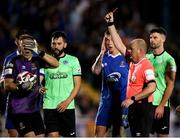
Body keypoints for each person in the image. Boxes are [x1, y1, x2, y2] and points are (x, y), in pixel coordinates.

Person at [104, 11, 156, 137]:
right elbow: (119, 44)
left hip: (142, 107)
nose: (129, 51)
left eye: (131, 49)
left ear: (139, 51)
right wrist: (111, 24)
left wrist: (132, 99)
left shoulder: (146, 65)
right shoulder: (132, 61)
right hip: (133, 107)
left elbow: (152, 87)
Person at [3, 35, 59, 137]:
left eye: (30, 45)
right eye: (24, 45)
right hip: (19, 110)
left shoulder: (37, 60)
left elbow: (56, 64)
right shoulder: (13, 62)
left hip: (34, 110)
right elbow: (6, 84)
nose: (27, 48)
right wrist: (21, 86)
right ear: (19, 47)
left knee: (40, 136)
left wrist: (39, 51)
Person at [42, 31, 81, 137]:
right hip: (49, 105)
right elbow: (39, 80)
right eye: (53, 43)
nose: (56, 46)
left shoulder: (73, 60)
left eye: (59, 44)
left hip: (67, 106)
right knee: (53, 135)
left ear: (65, 45)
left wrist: (67, 102)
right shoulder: (44, 61)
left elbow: (77, 85)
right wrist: (39, 87)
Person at [92, 30, 129, 137]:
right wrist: (101, 53)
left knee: (118, 135)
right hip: (106, 103)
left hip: (121, 104)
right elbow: (95, 71)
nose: (109, 42)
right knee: (98, 135)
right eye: (107, 40)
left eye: (112, 40)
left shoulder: (126, 57)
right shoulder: (104, 57)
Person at [146, 27, 176, 137]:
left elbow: (171, 85)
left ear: (163, 39)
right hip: (146, 105)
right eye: (150, 37)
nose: (151, 40)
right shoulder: (146, 57)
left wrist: (162, 105)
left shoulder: (169, 60)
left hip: (160, 105)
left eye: (155, 37)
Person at [0, 29, 30, 137]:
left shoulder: (35, 57)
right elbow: (3, 82)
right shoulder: (9, 58)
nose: (25, 42)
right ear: (16, 41)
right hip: (14, 103)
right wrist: (19, 86)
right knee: (13, 134)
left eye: (27, 39)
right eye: (22, 39)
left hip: (30, 104)